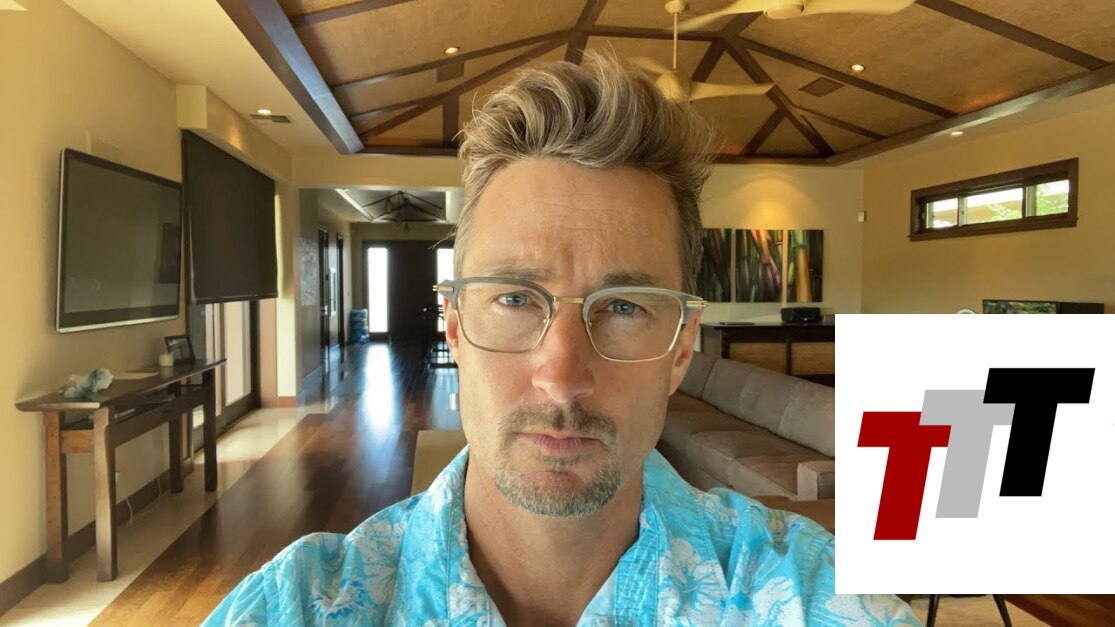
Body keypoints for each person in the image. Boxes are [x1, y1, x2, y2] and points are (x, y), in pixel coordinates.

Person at [205, 53, 918, 626]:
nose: (561, 374)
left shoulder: (809, 596)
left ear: (681, 348)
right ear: (455, 325)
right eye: (515, 298)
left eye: (625, 306)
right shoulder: (299, 606)